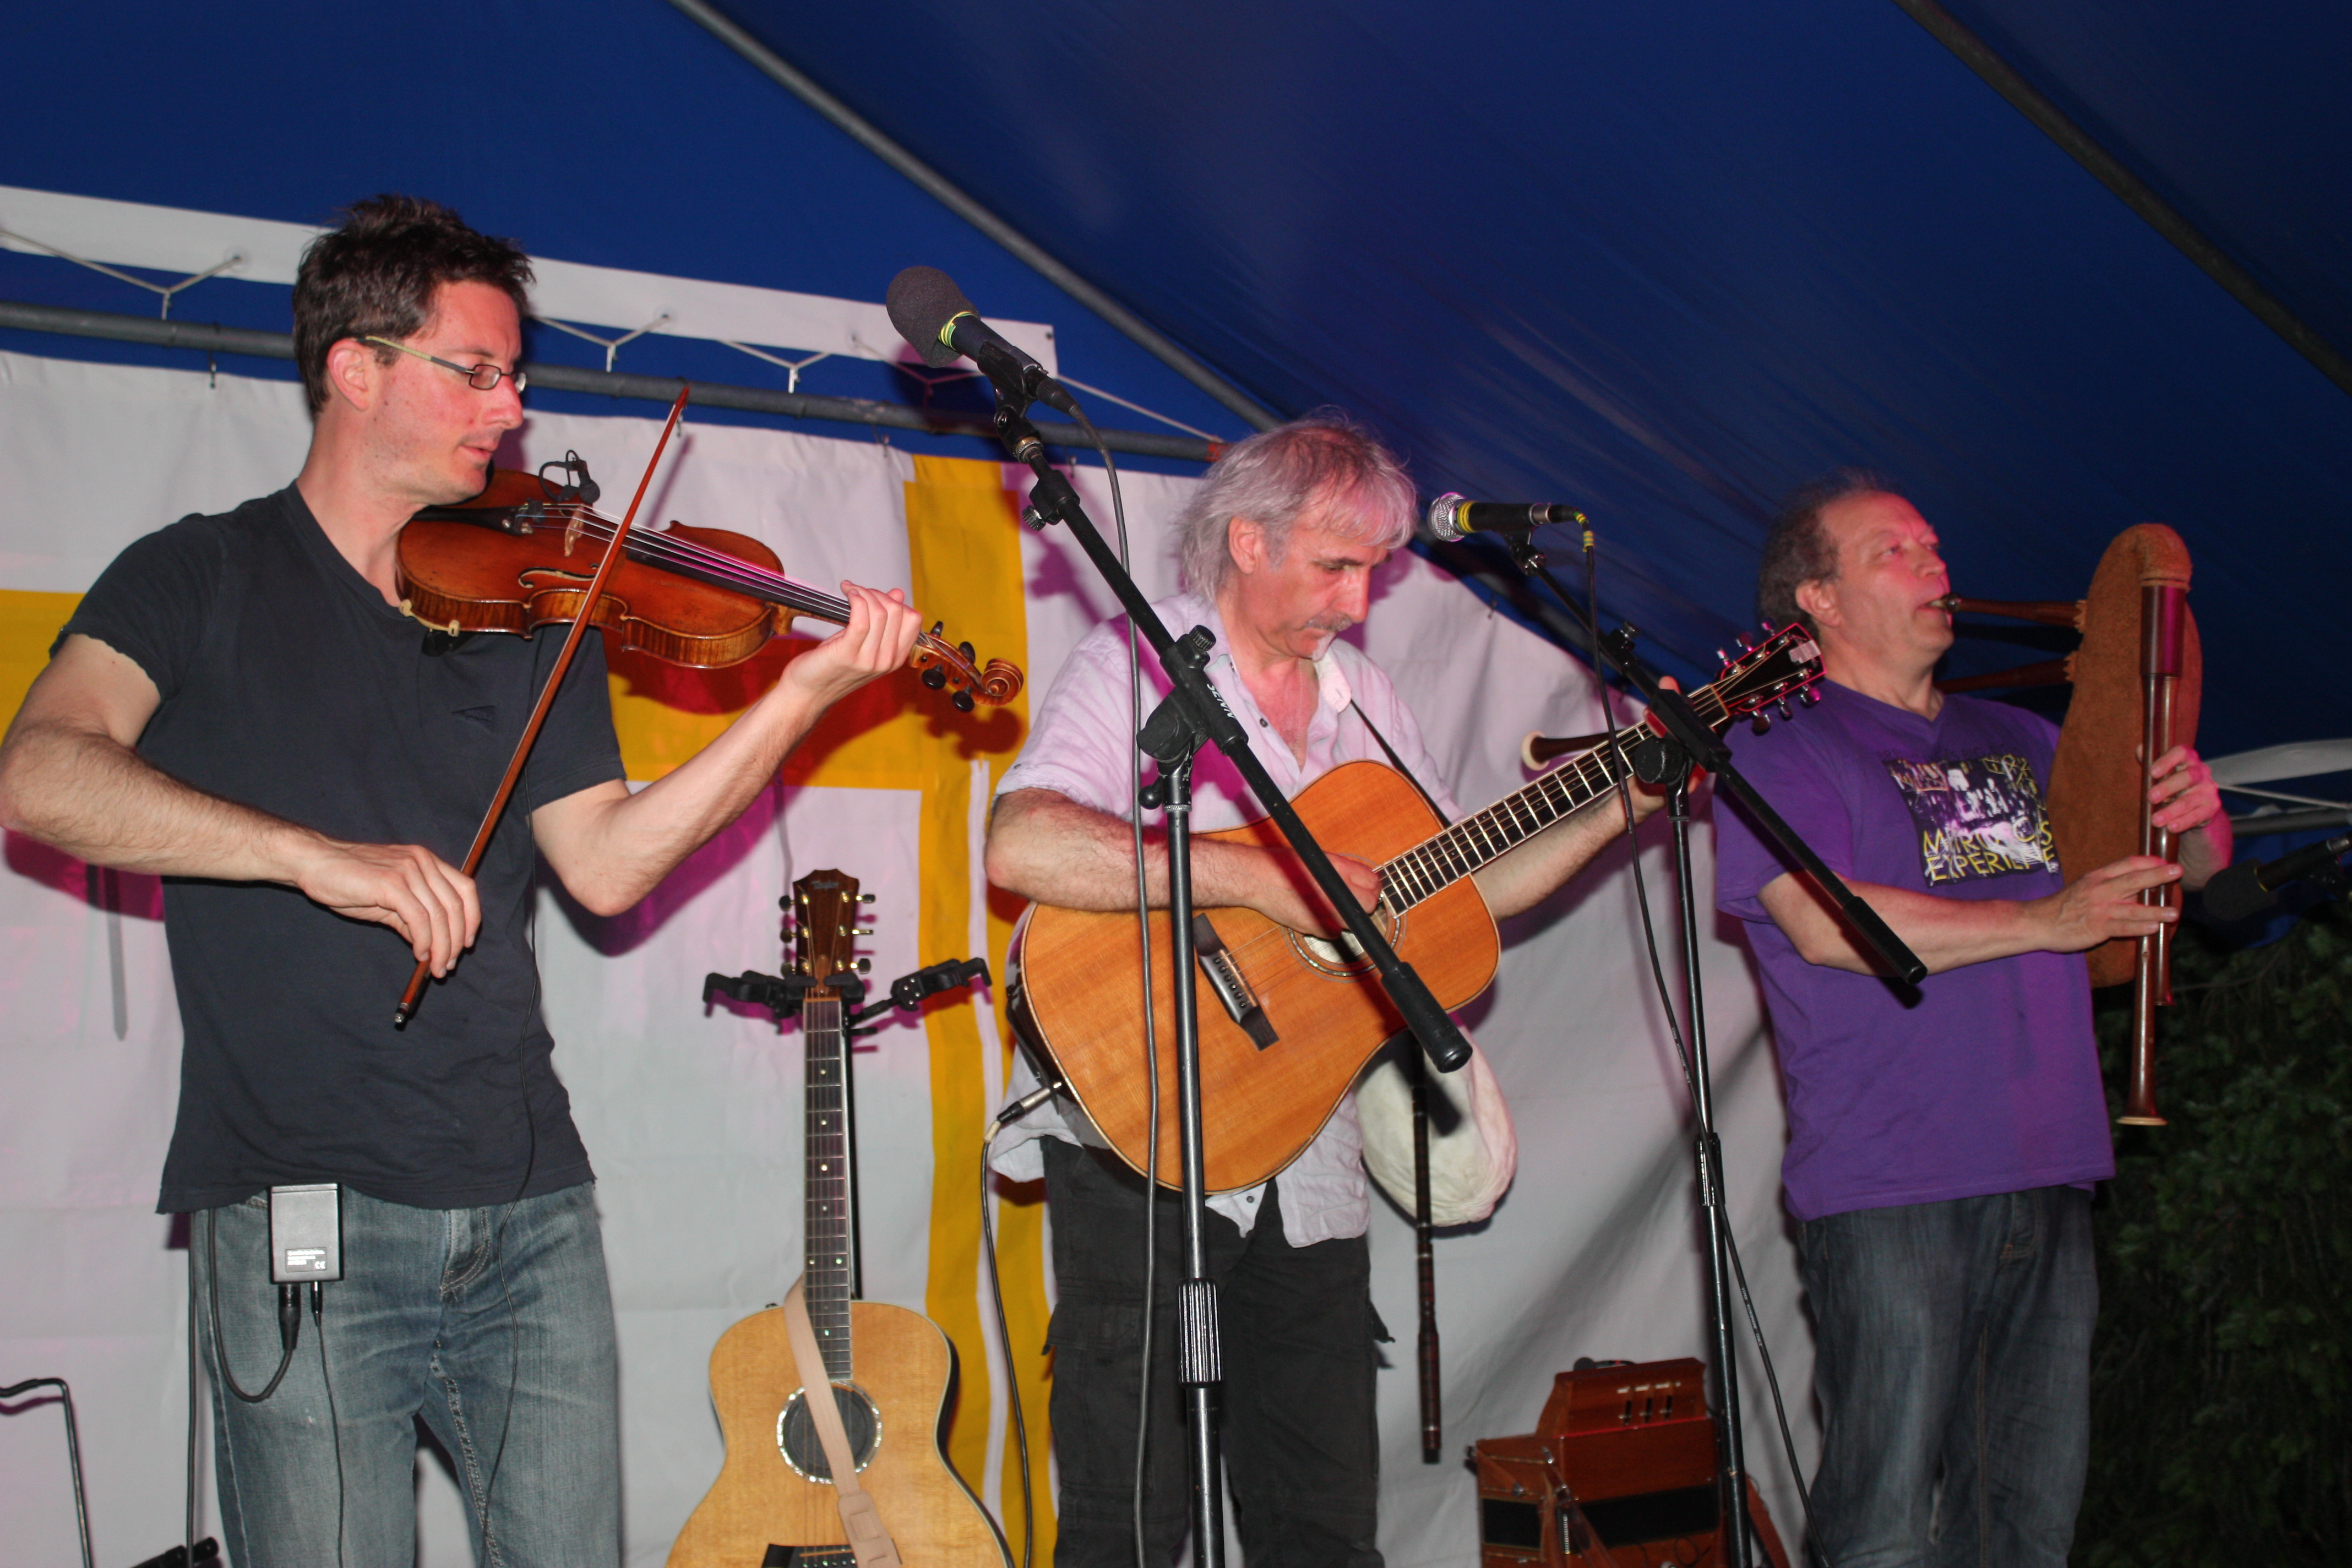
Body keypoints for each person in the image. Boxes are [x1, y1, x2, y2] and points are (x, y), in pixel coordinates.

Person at [0, 195, 920, 1568]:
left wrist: (798, 699)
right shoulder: (198, 573)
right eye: (476, 371)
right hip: (304, 1211)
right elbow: (41, 772)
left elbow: (606, 864)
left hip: (528, 1207)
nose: (514, 406)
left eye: (516, 374)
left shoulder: (534, 607)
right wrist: (314, 856)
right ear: (356, 368)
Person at [983, 414, 1660, 1567]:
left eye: (1374, 571)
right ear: (1248, 541)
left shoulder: (1367, 702)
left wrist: (1620, 805)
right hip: (1141, 1121)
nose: (1358, 600)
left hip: (1308, 1150)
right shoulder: (1141, 662)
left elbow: (1460, 890)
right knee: (1130, 1521)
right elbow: (1024, 843)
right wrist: (1270, 878)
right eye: (1337, 566)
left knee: (1325, 1524)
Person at [1712, 472, 2229, 1566]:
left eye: (1934, 546)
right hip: (1891, 1179)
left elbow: (2164, 885)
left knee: (2025, 1524)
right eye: (1894, 552)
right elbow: (1825, 923)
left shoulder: (2028, 737)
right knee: (1885, 1524)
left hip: (2050, 1160)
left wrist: (2192, 823)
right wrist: (2042, 919)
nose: (1935, 566)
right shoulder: (1776, 741)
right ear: (1820, 600)